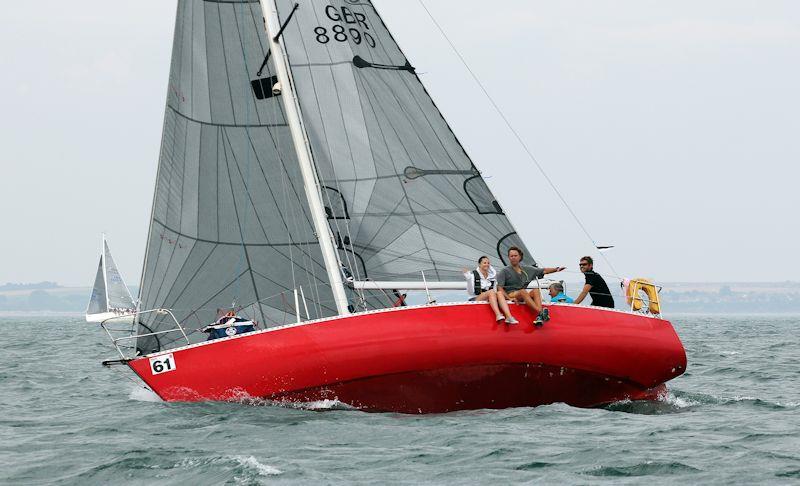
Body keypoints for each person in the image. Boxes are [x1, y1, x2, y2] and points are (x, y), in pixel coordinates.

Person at [496, 246, 565, 326]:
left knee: (535, 290)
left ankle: (539, 316)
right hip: (510, 294)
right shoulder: (504, 271)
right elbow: (499, 288)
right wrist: (509, 298)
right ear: (509, 257)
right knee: (523, 291)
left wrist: (556, 269)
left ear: (520, 257)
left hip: (522, 294)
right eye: (511, 256)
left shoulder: (527, 269)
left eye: (515, 256)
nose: (513, 258)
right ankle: (540, 312)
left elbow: (543, 271)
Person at [463, 256, 517, 324]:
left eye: (488, 263)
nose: (487, 264)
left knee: (499, 293)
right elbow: (470, 292)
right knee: (491, 292)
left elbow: (495, 291)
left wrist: (509, 298)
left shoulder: (492, 276)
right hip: (475, 299)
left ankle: (509, 317)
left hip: (488, 297)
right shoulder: (473, 275)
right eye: (484, 263)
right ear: (479, 264)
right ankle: (498, 315)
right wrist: (468, 280)